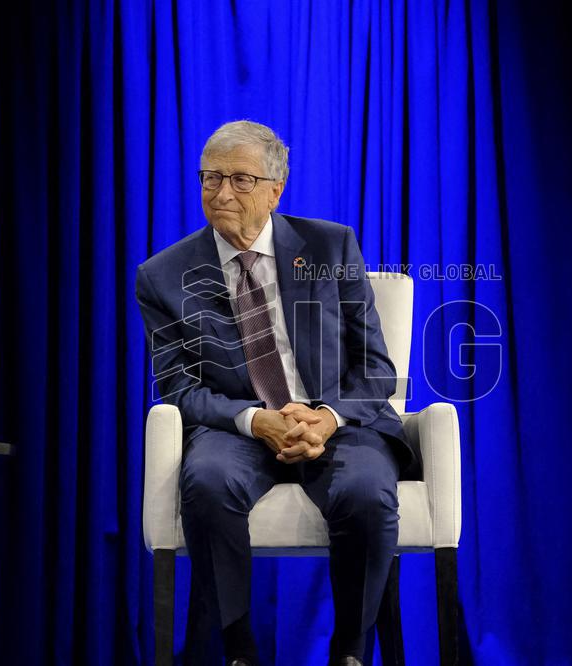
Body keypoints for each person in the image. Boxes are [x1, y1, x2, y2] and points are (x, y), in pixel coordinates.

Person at [135, 120, 420, 666]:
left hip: (335, 424)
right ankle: (238, 651)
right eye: (210, 178)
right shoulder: (163, 276)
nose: (221, 194)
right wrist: (253, 421)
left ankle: (350, 652)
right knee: (207, 480)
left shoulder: (328, 246)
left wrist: (327, 418)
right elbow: (178, 387)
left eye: (240, 180)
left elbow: (377, 370)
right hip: (237, 427)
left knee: (365, 490)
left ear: (275, 190)